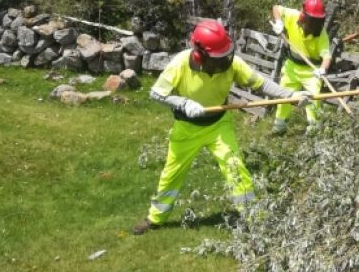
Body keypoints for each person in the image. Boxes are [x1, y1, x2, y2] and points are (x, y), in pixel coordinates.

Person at [132, 19, 309, 235]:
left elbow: (261, 82)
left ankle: (254, 218)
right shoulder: (180, 64)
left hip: (218, 125)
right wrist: (183, 103)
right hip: (187, 128)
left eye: (225, 55)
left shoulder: (231, 63)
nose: (224, 61)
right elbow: (156, 93)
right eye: (218, 57)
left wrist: (290, 95)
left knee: (236, 169)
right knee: (172, 174)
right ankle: (155, 218)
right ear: (200, 53)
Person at [270, 0, 332, 135]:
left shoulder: (321, 35)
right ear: (304, 16)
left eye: (318, 21)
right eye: (312, 20)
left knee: (313, 97)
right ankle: (279, 126)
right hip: (292, 65)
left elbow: (326, 57)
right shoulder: (293, 16)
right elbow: (276, 8)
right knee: (284, 94)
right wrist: (279, 22)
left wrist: (322, 69)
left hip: (311, 70)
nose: (315, 24)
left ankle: (314, 127)